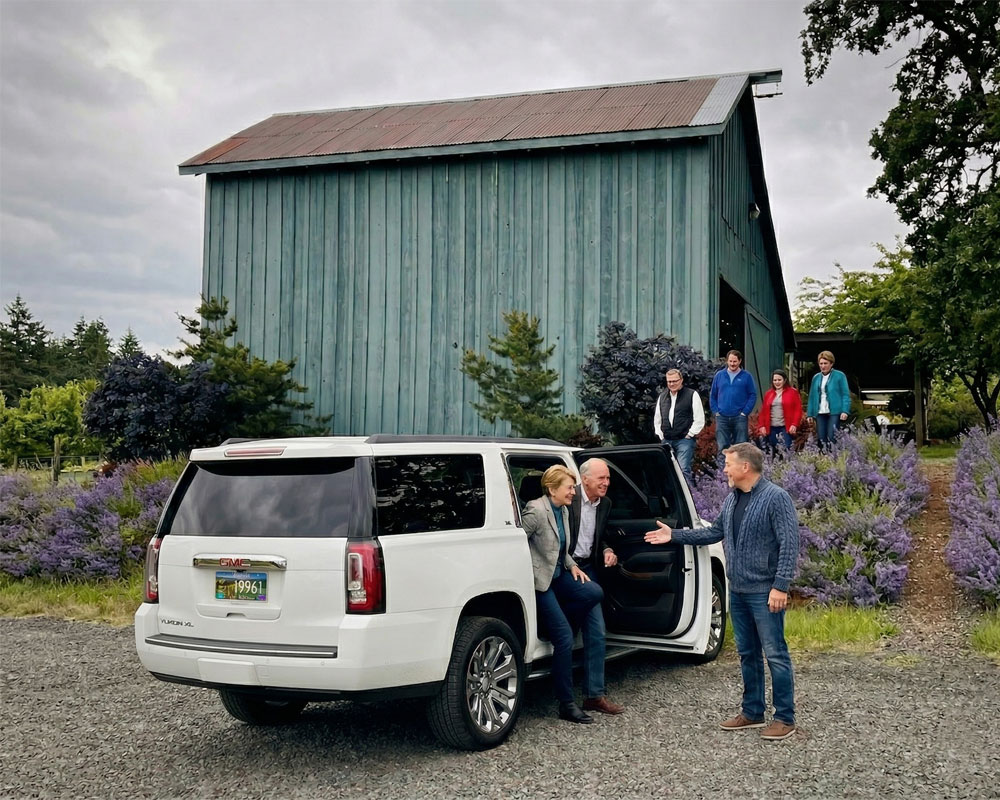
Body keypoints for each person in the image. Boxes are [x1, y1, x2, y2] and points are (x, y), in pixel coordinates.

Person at [643, 443, 799, 741]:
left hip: (764, 592)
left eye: (728, 464)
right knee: (747, 653)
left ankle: (784, 718)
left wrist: (780, 586)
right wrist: (674, 535)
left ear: (745, 467)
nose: (724, 469)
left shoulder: (776, 498)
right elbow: (714, 533)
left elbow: (789, 544)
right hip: (738, 591)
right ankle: (752, 712)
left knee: (775, 654)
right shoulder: (732, 499)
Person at [521, 465, 605, 724]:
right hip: (540, 582)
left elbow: (561, 548)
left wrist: (572, 565)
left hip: (559, 574)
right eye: (569, 488)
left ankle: (556, 623)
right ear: (552, 489)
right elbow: (516, 543)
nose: (573, 492)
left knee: (593, 592)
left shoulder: (564, 510)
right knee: (565, 638)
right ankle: (566, 704)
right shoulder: (536, 510)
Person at [567, 458, 625, 716]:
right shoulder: (569, 499)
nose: (606, 483)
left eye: (608, 478)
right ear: (585, 479)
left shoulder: (605, 504)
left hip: (588, 568)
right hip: (564, 567)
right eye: (601, 478)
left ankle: (594, 695)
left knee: (597, 631)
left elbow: (601, 537)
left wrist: (608, 550)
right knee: (565, 630)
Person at [653, 368, 705, 483]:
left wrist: (690, 434)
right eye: (669, 381)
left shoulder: (692, 395)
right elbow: (657, 418)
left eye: (674, 381)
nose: (671, 384)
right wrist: (661, 435)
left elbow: (699, 419)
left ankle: (689, 494)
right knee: (667, 471)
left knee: (683, 470)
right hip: (667, 441)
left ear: (681, 380)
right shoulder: (662, 397)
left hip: (684, 440)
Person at [709, 350, 757, 453]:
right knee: (722, 447)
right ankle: (723, 464)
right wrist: (716, 411)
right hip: (722, 417)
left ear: (740, 361)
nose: (732, 364)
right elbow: (713, 395)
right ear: (727, 361)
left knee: (741, 448)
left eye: (735, 361)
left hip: (740, 417)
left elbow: (752, 395)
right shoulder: (719, 375)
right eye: (730, 361)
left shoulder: (747, 376)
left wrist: (745, 412)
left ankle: (739, 464)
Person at [806, 350, 851, 449]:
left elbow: (845, 394)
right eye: (821, 363)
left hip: (834, 411)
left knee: (832, 436)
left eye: (825, 363)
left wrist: (845, 410)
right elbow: (812, 396)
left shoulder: (840, 376)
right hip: (820, 412)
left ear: (831, 363)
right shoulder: (816, 378)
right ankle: (824, 457)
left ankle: (834, 455)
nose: (823, 366)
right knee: (821, 438)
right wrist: (809, 414)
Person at [757, 369, 803, 452]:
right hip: (771, 427)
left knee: (787, 449)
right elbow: (763, 411)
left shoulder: (793, 392)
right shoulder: (768, 393)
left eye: (779, 380)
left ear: (784, 380)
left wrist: (794, 424)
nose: (777, 382)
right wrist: (762, 425)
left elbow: (798, 410)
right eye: (775, 380)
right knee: (773, 451)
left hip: (785, 427)